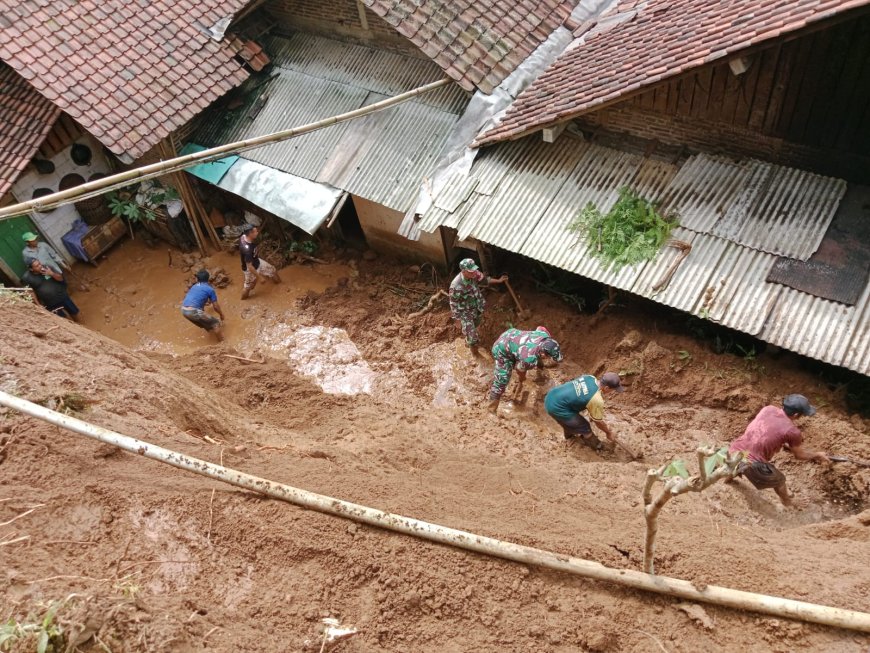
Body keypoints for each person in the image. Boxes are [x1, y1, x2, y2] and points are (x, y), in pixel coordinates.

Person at [728, 394, 829, 507]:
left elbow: (768, 432)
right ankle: (788, 502)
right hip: (751, 464)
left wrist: (784, 445)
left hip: (734, 450)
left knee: (742, 458)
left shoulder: (768, 409)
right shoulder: (792, 431)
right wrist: (817, 455)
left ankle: (728, 477)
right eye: (802, 414)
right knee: (780, 480)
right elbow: (800, 455)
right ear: (796, 414)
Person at [487, 326, 563, 414]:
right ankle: (491, 410)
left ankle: (540, 366)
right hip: (501, 349)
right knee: (502, 380)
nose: (549, 358)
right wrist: (522, 378)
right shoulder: (529, 359)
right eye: (549, 356)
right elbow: (519, 368)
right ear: (543, 354)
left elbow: (540, 328)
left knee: (530, 357)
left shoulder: (544, 334)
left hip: (511, 334)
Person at [544, 372, 625, 449]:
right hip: (556, 407)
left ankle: (570, 436)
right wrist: (608, 433)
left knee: (571, 421)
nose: (612, 392)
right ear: (607, 388)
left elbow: (580, 394)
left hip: (552, 395)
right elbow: (598, 422)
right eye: (613, 390)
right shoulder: (596, 399)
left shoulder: (590, 377)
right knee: (584, 427)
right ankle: (598, 447)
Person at [448, 258, 508, 353]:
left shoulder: (475, 273)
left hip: (477, 306)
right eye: (471, 271)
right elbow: (453, 303)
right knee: (472, 337)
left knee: (476, 324)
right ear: (463, 271)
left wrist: (499, 281)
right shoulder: (456, 285)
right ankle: (474, 352)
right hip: (465, 312)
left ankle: (470, 337)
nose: (474, 273)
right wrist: (457, 319)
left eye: (474, 270)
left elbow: (485, 280)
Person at [181, 270, 226, 341]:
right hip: (193, 311)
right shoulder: (210, 289)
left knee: (207, 323)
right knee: (216, 323)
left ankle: (212, 337)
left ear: (197, 279)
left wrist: (204, 303)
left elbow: (192, 298)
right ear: (208, 279)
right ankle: (223, 344)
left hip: (184, 310)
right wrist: (221, 314)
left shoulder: (194, 286)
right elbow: (216, 306)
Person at [239, 224, 281, 299]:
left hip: (257, 261)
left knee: (272, 270)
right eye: (255, 231)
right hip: (250, 269)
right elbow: (250, 266)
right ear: (250, 233)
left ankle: (281, 286)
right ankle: (243, 299)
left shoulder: (243, 237)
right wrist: (260, 277)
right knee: (249, 287)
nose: (257, 233)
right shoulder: (247, 250)